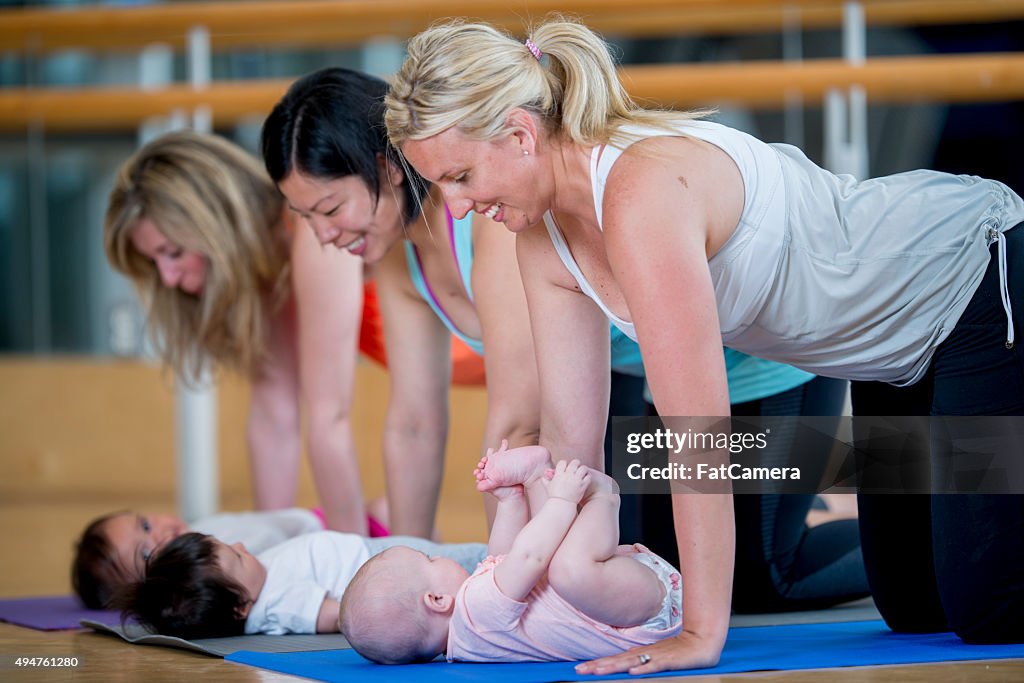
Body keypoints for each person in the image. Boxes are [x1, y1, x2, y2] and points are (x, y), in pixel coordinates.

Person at [385, 17, 1024, 674]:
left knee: (987, 609)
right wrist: (546, 602)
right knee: (916, 605)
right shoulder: (541, 238)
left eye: (459, 176)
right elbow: (571, 448)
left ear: (520, 134)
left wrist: (700, 634)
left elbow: (699, 435)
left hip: (975, 279)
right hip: (890, 359)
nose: (455, 209)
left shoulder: (641, 193)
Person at [264, 67, 869, 616]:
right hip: (639, 385)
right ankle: (800, 494)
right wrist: (408, 565)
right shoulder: (404, 265)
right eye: (306, 218)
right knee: (647, 571)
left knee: (756, 580)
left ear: (387, 167)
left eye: (329, 208)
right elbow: (414, 424)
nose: (321, 235)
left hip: (760, 370)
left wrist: (498, 590)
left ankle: (874, 503)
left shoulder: (492, 219)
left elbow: (519, 419)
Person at [105, 131, 381, 534]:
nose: (166, 278)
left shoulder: (310, 230)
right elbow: (274, 416)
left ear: (215, 227)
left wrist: (353, 564)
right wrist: (266, 550)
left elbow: (329, 418)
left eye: (173, 253)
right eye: (154, 261)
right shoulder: (265, 275)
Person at [339, 443, 681, 664]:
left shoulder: (472, 635)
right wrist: (562, 500)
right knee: (563, 569)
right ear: (437, 599)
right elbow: (528, 556)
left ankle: (536, 476)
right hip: (642, 615)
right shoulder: (475, 613)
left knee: (554, 567)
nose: (439, 557)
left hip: (625, 599)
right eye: (429, 560)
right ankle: (603, 496)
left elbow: (502, 556)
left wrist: (510, 499)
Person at [111, 529, 487, 639]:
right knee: (476, 558)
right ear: (241, 606)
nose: (243, 544)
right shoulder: (278, 603)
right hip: (392, 569)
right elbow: (341, 617)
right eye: (237, 556)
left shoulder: (255, 590)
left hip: (385, 556)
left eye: (232, 544)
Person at [72, 506, 389, 609]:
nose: (158, 535)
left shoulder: (204, 527)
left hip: (325, 521)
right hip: (343, 551)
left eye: (145, 524)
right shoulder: (213, 571)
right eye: (144, 553)